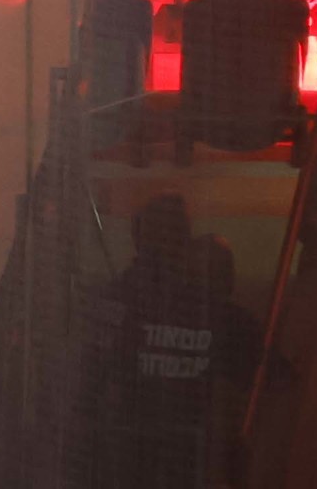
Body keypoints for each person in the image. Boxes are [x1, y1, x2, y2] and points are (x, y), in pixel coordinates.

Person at [89, 199, 244, 484]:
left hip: (134, 455)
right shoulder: (211, 308)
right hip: (187, 459)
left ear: (137, 239)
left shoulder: (115, 300)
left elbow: (88, 382)